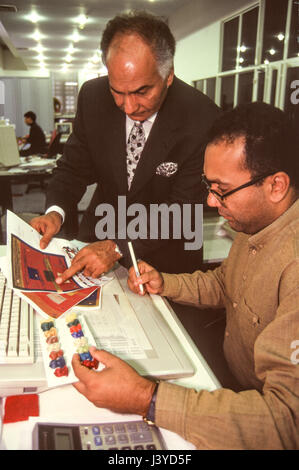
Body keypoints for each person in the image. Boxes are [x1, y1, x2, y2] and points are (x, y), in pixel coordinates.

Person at [70, 103, 299, 450]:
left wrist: (147, 399)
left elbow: (285, 422)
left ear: (276, 185)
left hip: (253, 407)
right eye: (208, 185)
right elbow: (226, 284)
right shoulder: (257, 223)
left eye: (221, 189)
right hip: (225, 377)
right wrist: (166, 282)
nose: (209, 200)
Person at [30, 11, 220, 281]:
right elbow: (73, 168)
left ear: (168, 75)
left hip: (165, 254)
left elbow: (183, 209)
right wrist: (55, 212)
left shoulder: (202, 118)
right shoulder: (93, 97)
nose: (128, 107)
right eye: (117, 91)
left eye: (142, 91)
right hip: (98, 235)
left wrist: (116, 247)